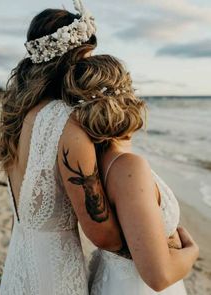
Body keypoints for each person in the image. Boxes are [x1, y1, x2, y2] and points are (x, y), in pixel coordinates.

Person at [0, 2, 123, 294]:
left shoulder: (17, 116)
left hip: (17, 266)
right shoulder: (68, 124)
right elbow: (102, 234)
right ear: (71, 60)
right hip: (55, 277)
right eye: (86, 58)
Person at [57, 54, 199, 294]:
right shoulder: (127, 167)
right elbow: (159, 276)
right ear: (126, 100)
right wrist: (192, 251)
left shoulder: (98, 161)